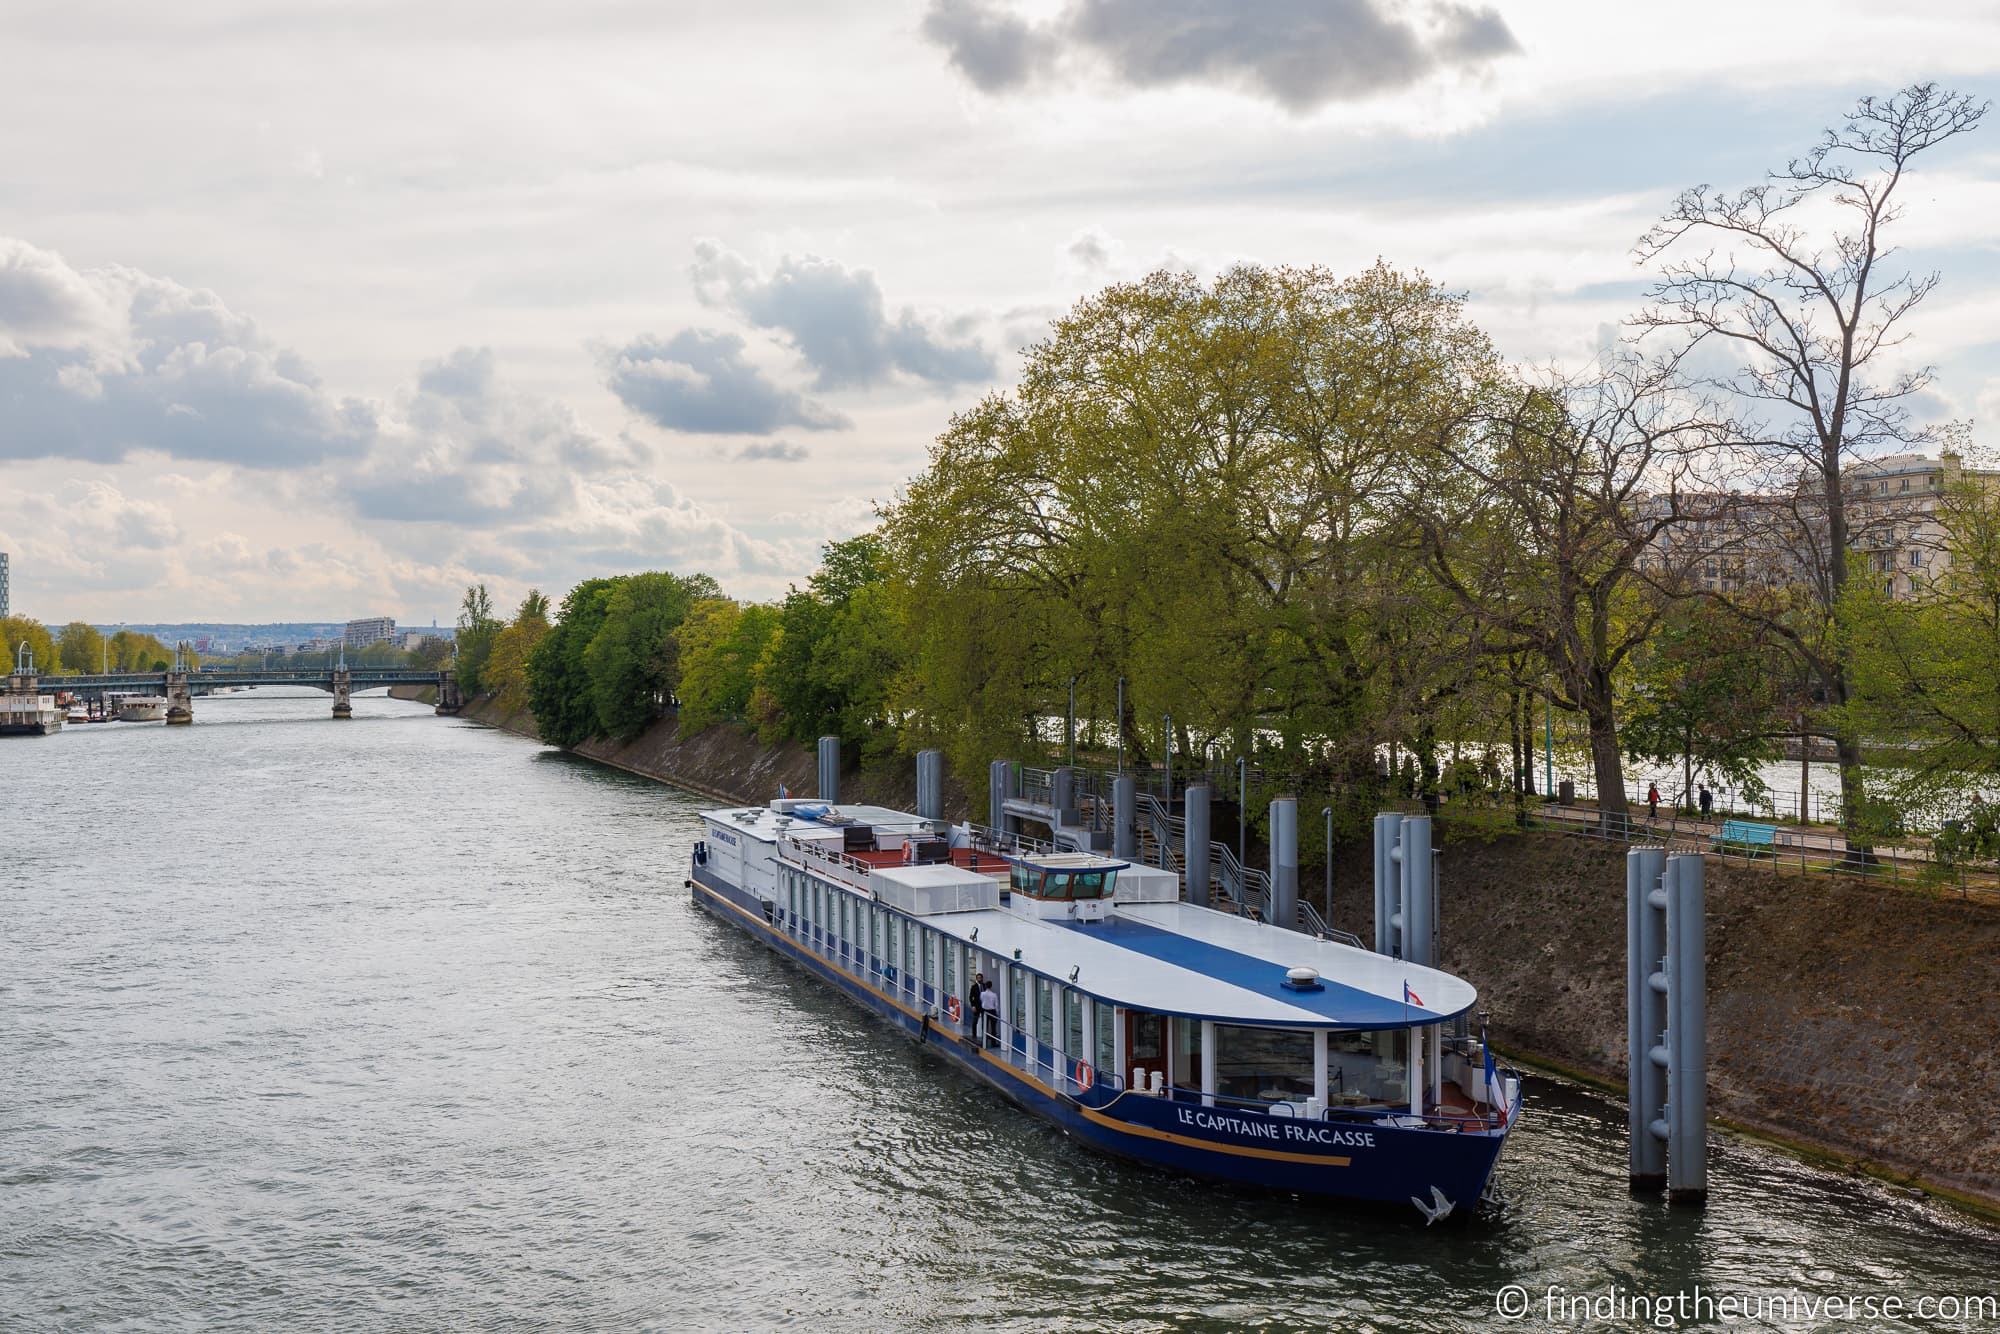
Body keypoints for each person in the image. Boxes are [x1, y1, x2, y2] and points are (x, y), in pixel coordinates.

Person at [979, 977, 1000, 1048]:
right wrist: (997, 1013)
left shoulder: (982, 994)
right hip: (992, 1011)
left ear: (985, 986)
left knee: (984, 1026)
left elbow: (981, 1001)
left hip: (984, 1010)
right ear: (991, 986)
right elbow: (996, 1005)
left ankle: (984, 1042)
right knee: (993, 1027)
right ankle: (993, 1043)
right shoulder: (994, 995)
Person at [964, 971, 984, 1038]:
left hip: (984, 1006)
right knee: (975, 1021)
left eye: (980, 978)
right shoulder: (974, 986)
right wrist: (973, 1006)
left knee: (984, 1022)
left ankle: (984, 1035)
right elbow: (970, 997)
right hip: (977, 1006)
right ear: (976, 979)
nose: (979, 979)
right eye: (978, 978)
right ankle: (974, 1035)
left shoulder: (984, 986)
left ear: (982, 978)